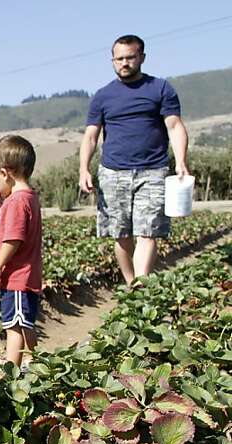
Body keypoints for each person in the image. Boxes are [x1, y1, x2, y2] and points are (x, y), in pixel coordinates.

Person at [79, 34, 190, 285]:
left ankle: (141, 285)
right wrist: (83, 169)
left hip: (153, 170)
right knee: (120, 234)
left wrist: (181, 161)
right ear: (113, 60)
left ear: (142, 57)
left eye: (130, 57)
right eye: (119, 59)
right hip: (113, 172)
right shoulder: (102, 96)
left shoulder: (160, 88)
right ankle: (132, 285)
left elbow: (174, 126)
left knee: (148, 231)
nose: (124, 63)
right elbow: (90, 136)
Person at [0, 135, 43, 369]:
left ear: (5, 173)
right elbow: (18, 226)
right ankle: (34, 360)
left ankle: (11, 371)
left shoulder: (17, 202)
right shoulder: (26, 198)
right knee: (24, 322)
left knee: (14, 326)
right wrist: (1, 206)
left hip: (17, 277)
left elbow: (14, 238)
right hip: (27, 275)